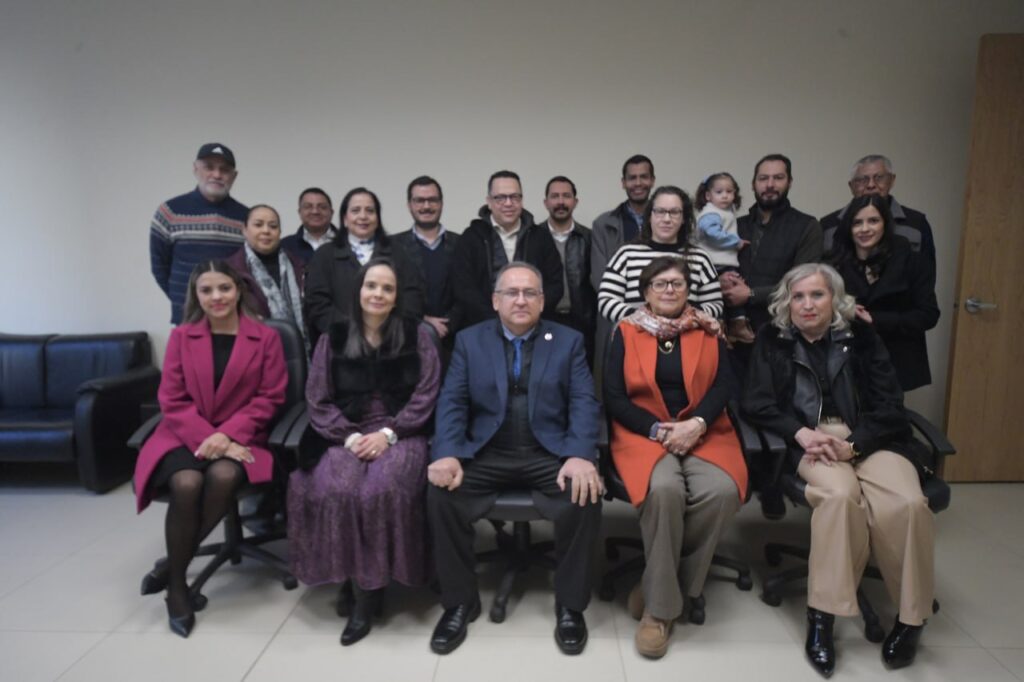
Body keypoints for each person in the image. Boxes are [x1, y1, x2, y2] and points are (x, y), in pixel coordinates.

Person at [742, 263, 935, 677]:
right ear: (786, 303)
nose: (807, 305)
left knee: (908, 503)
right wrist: (800, 433)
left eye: (817, 294)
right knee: (840, 497)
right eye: (798, 297)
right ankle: (822, 617)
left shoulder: (862, 337)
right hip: (810, 438)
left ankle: (911, 618)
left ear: (835, 299)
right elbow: (756, 403)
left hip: (870, 436)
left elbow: (890, 404)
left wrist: (855, 445)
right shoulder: (773, 339)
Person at [426, 262, 601, 656]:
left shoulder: (569, 340)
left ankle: (570, 605)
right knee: (441, 496)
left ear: (542, 300)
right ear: (495, 300)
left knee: (585, 494)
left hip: (547, 453)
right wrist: (448, 452)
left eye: (529, 293)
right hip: (488, 452)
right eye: (511, 292)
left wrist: (579, 454)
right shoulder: (469, 341)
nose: (520, 300)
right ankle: (459, 602)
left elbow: (584, 402)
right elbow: (452, 401)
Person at [288, 258, 441, 646]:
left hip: (402, 431)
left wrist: (389, 434)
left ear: (396, 297)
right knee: (337, 487)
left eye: (387, 288)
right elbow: (318, 398)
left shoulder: (417, 335)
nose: (378, 294)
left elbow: (426, 394)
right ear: (358, 290)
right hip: (345, 431)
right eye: (371, 285)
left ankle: (367, 596)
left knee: (380, 490)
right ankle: (352, 575)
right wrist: (350, 437)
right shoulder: (334, 336)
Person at [133, 261, 288, 638]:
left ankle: (173, 570)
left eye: (224, 288)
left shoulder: (265, 337)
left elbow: (270, 397)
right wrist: (209, 437)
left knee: (223, 475)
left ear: (238, 291)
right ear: (196, 295)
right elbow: (171, 399)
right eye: (207, 290)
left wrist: (229, 435)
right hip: (183, 433)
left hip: (244, 435)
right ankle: (178, 588)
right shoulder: (182, 337)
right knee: (186, 483)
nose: (217, 297)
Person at [604, 257, 747, 659]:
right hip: (643, 432)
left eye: (677, 284)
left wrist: (697, 424)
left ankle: (655, 582)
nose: (669, 290)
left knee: (721, 491)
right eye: (660, 284)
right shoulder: (626, 331)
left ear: (689, 290)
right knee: (665, 489)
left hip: (704, 430)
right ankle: (659, 611)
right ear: (645, 292)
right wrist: (657, 429)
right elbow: (613, 396)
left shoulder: (708, 329)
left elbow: (724, 386)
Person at [826, 195, 940, 391]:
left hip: (897, 358)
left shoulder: (913, 262)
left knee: (889, 408)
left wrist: (876, 319)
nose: (864, 229)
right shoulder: (833, 263)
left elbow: (928, 315)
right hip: (848, 358)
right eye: (857, 222)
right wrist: (843, 310)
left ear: (886, 224)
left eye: (873, 221)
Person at [304, 187, 424, 344]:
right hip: (341, 342)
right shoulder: (324, 255)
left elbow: (412, 298)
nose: (363, 216)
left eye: (370, 211)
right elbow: (317, 304)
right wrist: (352, 332)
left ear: (377, 218)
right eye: (355, 210)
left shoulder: (398, 252)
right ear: (345, 219)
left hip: (391, 342)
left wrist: (385, 331)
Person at [723, 154, 823, 339]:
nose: (770, 184)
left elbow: (804, 282)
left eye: (778, 178)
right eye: (763, 178)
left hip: (783, 332)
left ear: (789, 182)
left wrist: (752, 294)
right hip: (733, 334)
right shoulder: (734, 226)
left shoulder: (807, 226)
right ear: (753, 184)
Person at [450, 170, 564, 330]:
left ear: (521, 200)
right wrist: (495, 321)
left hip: (534, 327)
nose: (508, 203)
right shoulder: (471, 238)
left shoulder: (540, 237)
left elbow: (555, 284)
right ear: (489, 202)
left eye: (514, 197)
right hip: (484, 326)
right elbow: (463, 288)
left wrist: (530, 315)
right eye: (500, 198)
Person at [150, 143, 248, 324]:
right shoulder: (169, 212)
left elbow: (248, 270)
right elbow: (159, 268)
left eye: (224, 170)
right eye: (209, 167)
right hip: (187, 319)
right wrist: (186, 300)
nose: (217, 175)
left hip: (233, 321)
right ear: (195, 169)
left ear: (234, 176)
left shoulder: (246, 217)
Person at [598, 185, 723, 324]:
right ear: (649, 216)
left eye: (674, 212)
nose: (667, 219)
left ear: (683, 218)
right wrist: (644, 320)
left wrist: (686, 319)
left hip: (687, 335)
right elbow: (606, 301)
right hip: (636, 334)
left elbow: (716, 305)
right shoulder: (626, 255)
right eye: (660, 211)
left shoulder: (700, 258)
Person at [820, 155, 936, 263]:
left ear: (892, 180)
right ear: (851, 186)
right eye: (862, 180)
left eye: (879, 178)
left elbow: (926, 274)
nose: (871, 185)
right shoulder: (829, 225)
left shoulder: (917, 223)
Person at [225, 204, 308, 353]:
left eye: (273, 226)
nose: (266, 231)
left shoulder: (298, 266)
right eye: (258, 225)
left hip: (299, 353)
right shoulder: (230, 271)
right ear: (244, 230)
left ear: (279, 232)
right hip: (252, 351)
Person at [391, 176, 462, 344]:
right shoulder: (392, 246)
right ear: (409, 205)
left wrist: (449, 323)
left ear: (441, 203)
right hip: (406, 339)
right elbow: (390, 293)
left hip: (455, 338)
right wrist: (422, 321)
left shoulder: (462, 243)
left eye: (432, 200)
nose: (426, 206)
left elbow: (468, 290)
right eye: (419, 201)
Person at [537, 175, 596, 364]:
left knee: (580, 374)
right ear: (546, 202)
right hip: (543, 320)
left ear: (575, 201)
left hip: (581, 322)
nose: (560, 202)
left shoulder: (589, 238)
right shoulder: (533, 237)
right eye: (555, 196)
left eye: (566, 196)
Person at [693, 172, 754, 343]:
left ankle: (735, 326)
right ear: (708, 196)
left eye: (729, 191)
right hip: (714, 263)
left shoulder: (725, 211)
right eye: (719, 192)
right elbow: (712, 233)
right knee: (717, 296)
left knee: (732, 294)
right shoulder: (710, 213)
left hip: (724, 262)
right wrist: (736, 242)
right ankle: (722, 328)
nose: (725, 196)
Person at [591, 154, 657, 286]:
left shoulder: (668, 220)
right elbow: (600, 277)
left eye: (644, 177)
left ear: (652, 181)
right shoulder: (603, 224)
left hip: (663, 295)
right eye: (632, 178)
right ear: (623, 183)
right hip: (618, 297)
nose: (638, 183)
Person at [280, 187, 337, 265]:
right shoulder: (285, 246)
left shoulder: (347, 242)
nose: (315, 211)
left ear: (331, 212)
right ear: (300, 212)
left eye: (322, 207)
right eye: (308, 207)